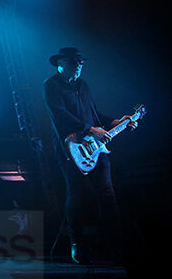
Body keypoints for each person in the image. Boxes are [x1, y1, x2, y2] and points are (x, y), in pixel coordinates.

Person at [43, 47, 138, 265]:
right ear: (61, 64)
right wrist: (89, 129)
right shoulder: (51, 85)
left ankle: (115, 245)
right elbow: (60, 115)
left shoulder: (83, 86)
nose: (78, 65)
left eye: (80, 62)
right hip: (71, 148)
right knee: (76, 196)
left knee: (107, 194)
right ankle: (77, 244)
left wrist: (115, 122)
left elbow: (94, 113)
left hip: (95, 147)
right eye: (74, 62)